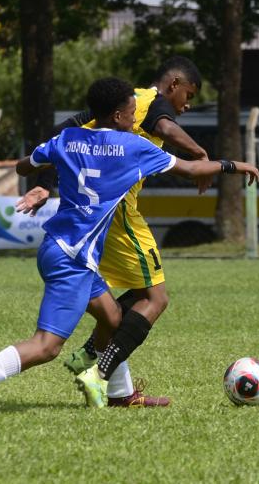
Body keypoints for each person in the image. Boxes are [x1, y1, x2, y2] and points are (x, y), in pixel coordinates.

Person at [0, 77, 259, 413]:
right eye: (132, 113)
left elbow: (24, 166)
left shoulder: (67, 137)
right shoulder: (133, 147)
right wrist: (233, 165)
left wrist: (45, 169)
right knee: (46, 346)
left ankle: (119, 393)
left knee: (115, 318)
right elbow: (191, 168)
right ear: (117, 116)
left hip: (60, 248)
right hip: (72, 259)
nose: (135, 119)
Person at [21, 56, 209, 407]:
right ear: (174, 84)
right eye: (189, 93)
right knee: (154, 297)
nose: (188, 104)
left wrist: (44, 181)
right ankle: (97, 368)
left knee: (133, 297)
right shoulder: (149, 103)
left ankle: (103, 370)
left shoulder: (124, 100)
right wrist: (199, 153)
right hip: (118, 213)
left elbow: (64, 132)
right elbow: (166, 128)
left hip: (101, 213)